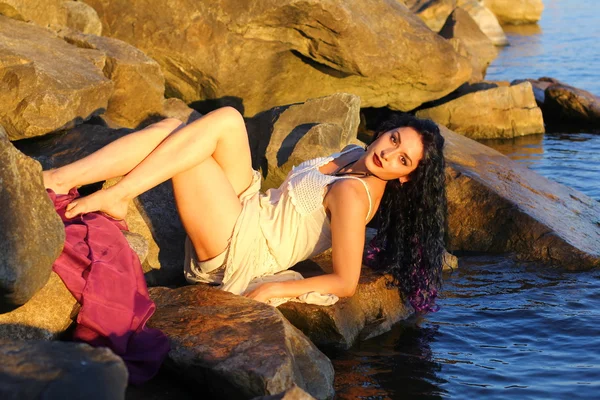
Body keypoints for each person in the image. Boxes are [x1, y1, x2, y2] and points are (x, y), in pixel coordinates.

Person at [43, 107, 446, 311]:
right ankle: (59, 178)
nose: (389, 154)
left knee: (188, 154)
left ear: (405, 178)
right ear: (386, 131)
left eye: (403, 160)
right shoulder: (356, 152)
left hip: (246, 244)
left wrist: (277, 287)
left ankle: (117, 194)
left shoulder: (354, 195)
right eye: (394, 139)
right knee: (182, 128)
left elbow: (345, 282)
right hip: (253, 205)